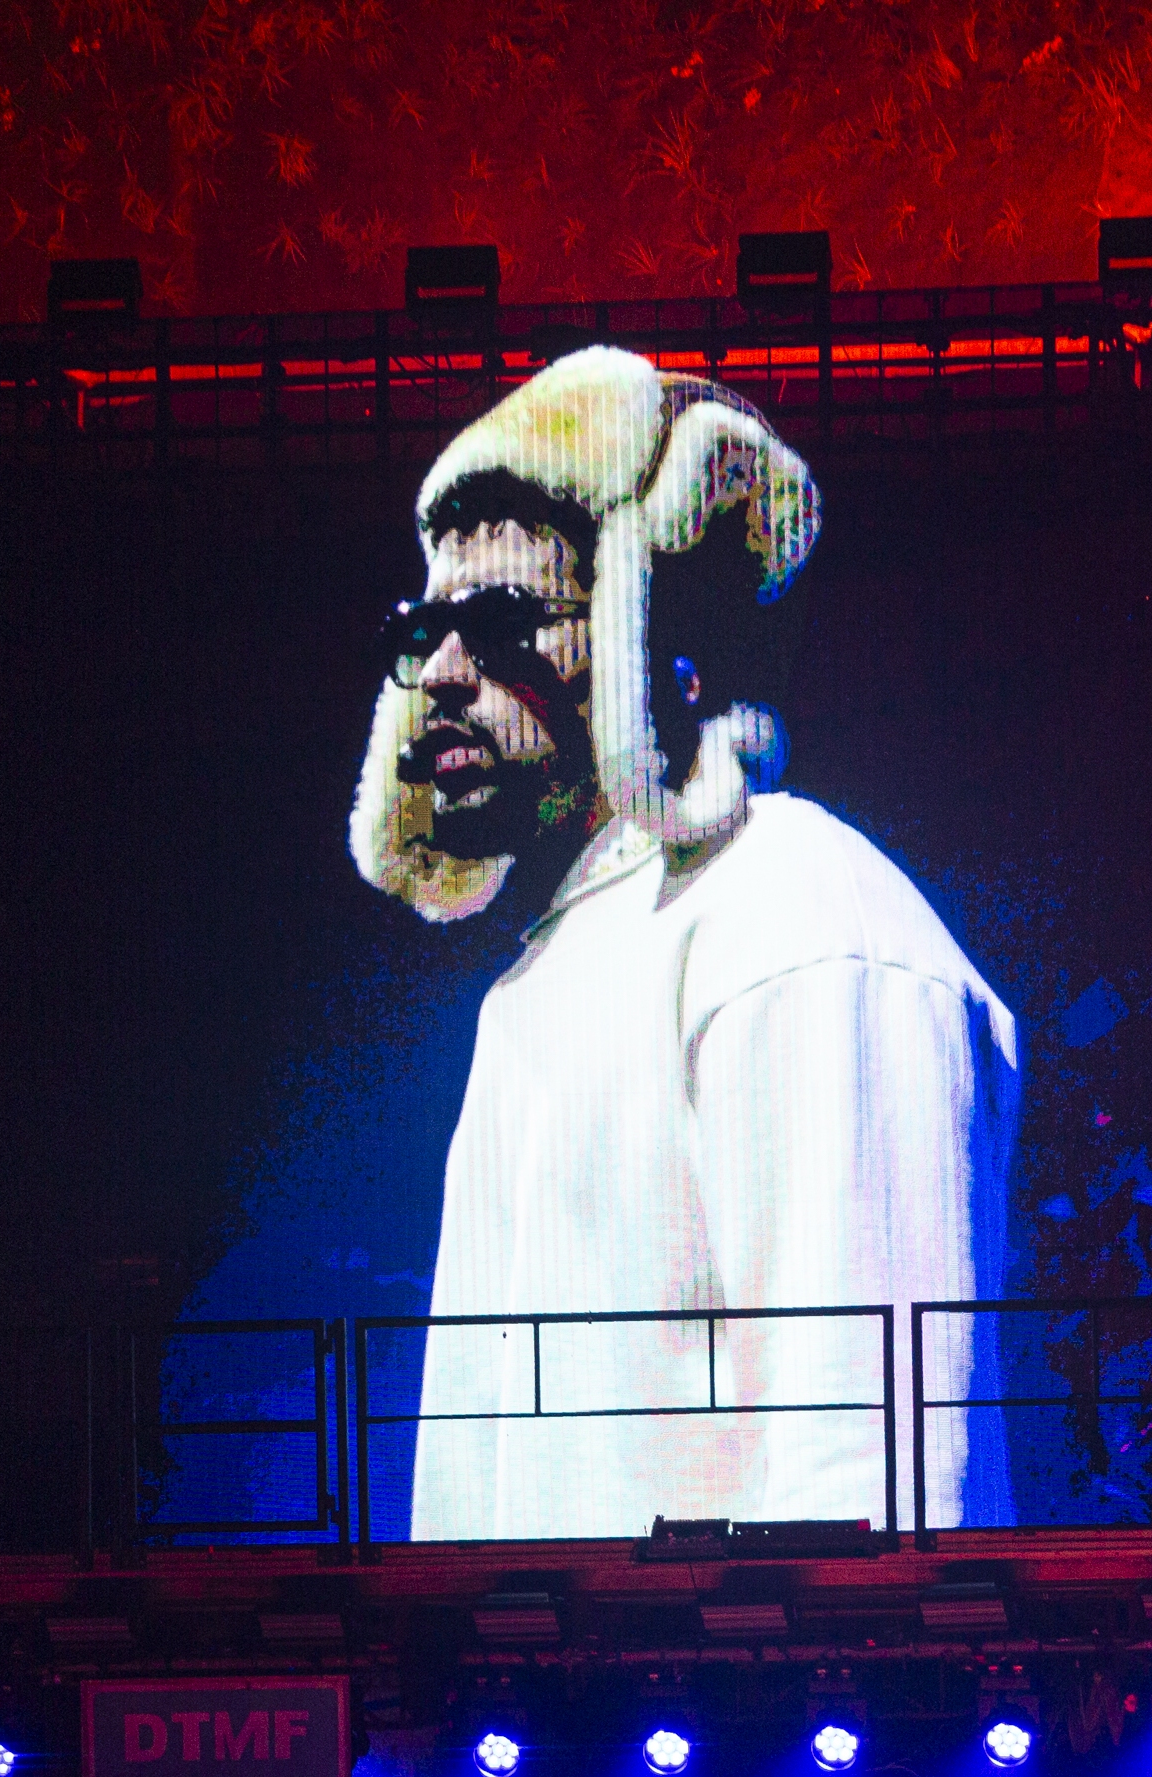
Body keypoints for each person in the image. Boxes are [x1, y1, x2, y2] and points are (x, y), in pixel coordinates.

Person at [349, 347, 1022, 1542]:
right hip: (561, 1711)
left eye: (501, 623)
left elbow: (869, 1472)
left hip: (751, 1713)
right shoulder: (538, 978)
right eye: (423, 632)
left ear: (659, 641)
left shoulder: (795, 909)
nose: (442, 679)